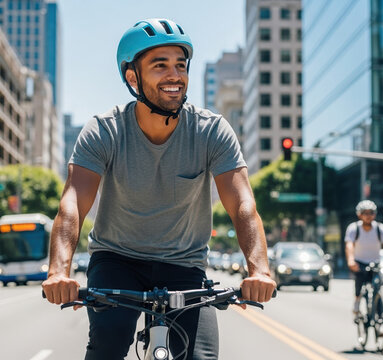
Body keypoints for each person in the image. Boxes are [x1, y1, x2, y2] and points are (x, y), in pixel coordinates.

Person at [42, 18, 275, 359]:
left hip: (184, 265)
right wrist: (59, 272)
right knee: (107, 345)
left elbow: (243, 204)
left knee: (202, 356)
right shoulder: (104, 130)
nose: (174, 75)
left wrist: (260, 269)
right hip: (117, 260)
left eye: (180, 65)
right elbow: (72, 203)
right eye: (160, 65)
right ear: (132, 77)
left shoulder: (212, 131)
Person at [344, 200, 383, 315]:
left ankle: (379, 316)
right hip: (359, 262)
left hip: (375, 263)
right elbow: (349, 245)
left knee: (377, 287)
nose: (368, 216)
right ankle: (357, 302)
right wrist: (351, 260)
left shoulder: (380, 228)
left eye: (371, 213)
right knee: (359, 284)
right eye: (365, 213)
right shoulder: (354, 228)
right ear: (359, 214)